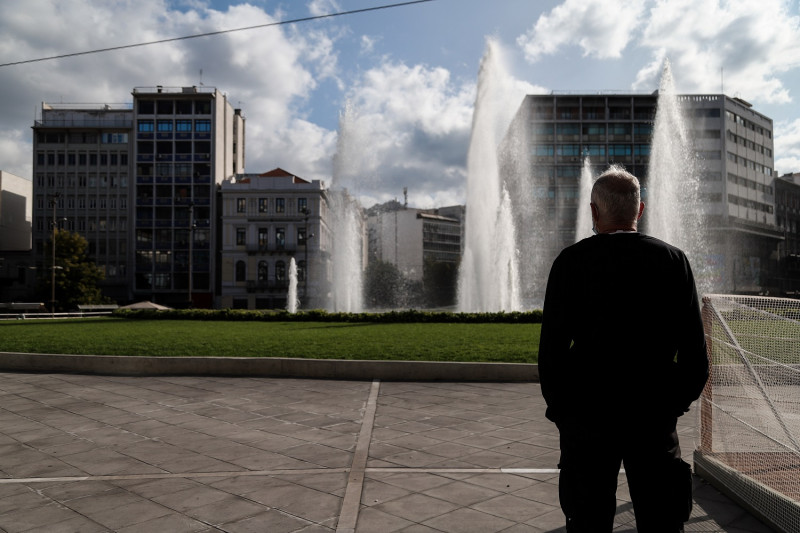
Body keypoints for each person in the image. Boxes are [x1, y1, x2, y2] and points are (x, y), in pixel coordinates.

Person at [538, 165, 709, 532]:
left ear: (594, 212)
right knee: (662, 522)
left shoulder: (570, 263)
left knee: (587, 522)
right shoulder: (673, 261)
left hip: (586, 417)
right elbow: (696, 358)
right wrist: (670, 406)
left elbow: (550, 355)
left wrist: (565, 416)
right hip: (652, 416)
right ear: (640, 210)